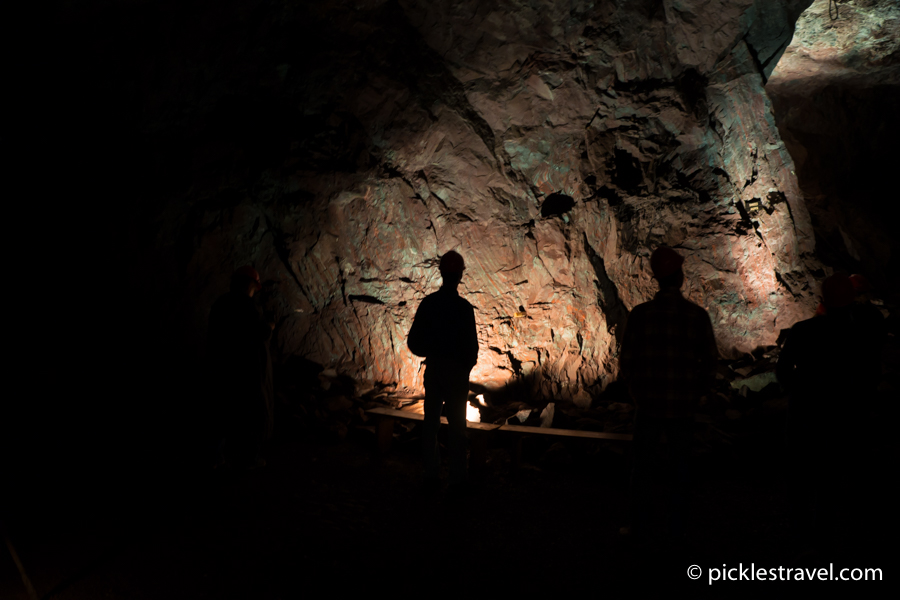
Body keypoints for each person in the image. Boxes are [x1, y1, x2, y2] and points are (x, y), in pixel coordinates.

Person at [619, 247, 718, 543]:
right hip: (683, 408)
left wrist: (638, 394)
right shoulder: (697, 316)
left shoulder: (640, 315)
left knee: (643, 470)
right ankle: (677, 531)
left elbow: (627, 361)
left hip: (648, 406)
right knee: (681, 469)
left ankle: (640, 529)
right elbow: (711, 362)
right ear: (680, 277)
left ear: (657, 279)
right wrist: (697, 393)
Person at [776, 273, 879, 545]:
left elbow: (783, 372)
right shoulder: (860, 338)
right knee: (830, 481)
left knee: (800, 481)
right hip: (840, 419)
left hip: (804, 417)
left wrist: (801, 388)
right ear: (851, 300)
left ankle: (800, 539)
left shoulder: (802, 331)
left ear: (823, 299)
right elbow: (868, 379)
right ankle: (823, 540)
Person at [407, 251, 478, 494]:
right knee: (458, 426)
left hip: (435, 369)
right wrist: (463, 368)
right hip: (456, 373)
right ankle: (457, 480)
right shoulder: (464, 308)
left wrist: (433, 352)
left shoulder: (429, 304)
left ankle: (431, 475)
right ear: (459, 276)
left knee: (431, 424)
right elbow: (472, 348)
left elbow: (414, 342)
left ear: (441, 273)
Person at [207, 266, 274, 469]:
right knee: (250, 413)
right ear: (250, 285)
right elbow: (259, 333)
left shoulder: (220, 304)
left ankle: (216, 457)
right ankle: (249, 458)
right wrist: (269, 327)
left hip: (221, 367)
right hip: (246, 370)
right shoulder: (248, 306)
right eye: (254, 287)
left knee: (221, 413)